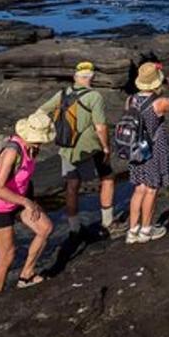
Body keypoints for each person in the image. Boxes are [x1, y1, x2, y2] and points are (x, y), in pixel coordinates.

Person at [38, 60, 116, 238]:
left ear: (75, 77)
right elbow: (101, 127)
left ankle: (74, 228)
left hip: (66, 146)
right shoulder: (94, 96)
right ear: (92, 77)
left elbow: (41, 111)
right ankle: (108, 222)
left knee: (72, 185)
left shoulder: (63, 93)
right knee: (107, 178)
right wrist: (106, 148)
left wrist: (49, 132)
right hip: (90, 147)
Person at [0, 111, 56, 293]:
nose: (42, 142)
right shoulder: (12, 151)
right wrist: (26, 202)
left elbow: (23, 179)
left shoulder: (32, 148)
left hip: (19, 201)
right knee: (7, 256)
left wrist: (28, 200)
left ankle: (26, 275)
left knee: (45, 228)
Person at [125, 61, 169, 243]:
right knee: (151, 190)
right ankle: (146, 230)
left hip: (136, 148)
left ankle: (132, 230)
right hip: (154, 148)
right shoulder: (160, 103)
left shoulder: (130, 100)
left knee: (139, 189)